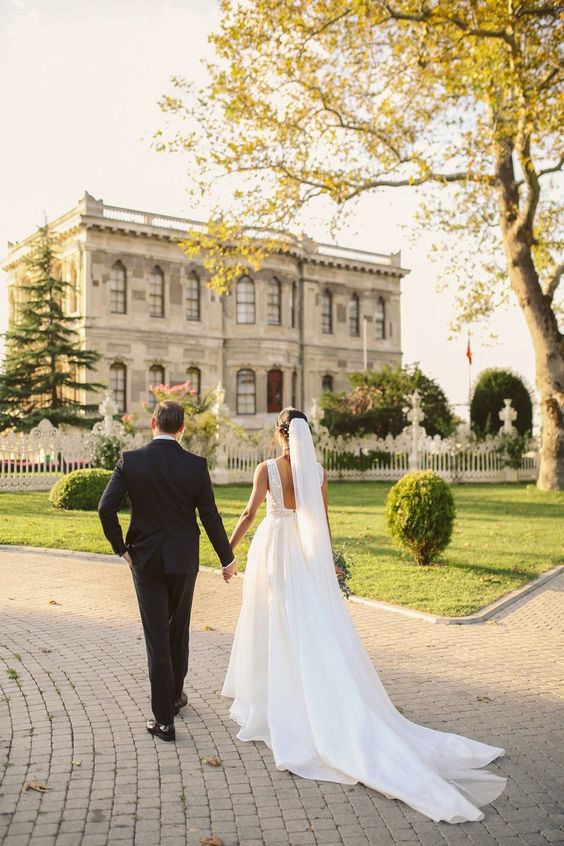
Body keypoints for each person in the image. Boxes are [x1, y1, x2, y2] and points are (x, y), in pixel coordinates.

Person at [222, 406, 506, 824]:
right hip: (301, 553)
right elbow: (322, 522)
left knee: (271, 618)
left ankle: (270, 698)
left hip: (272, 549)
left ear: (280, 434)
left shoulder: (266, 469)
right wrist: (327, 561)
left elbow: (249, 514)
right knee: (303, 622)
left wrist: (227, 554)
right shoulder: (317, 473)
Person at [98, 399, 236, 742]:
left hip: (144, 560)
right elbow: (210, 517)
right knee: (178, 629)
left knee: (156, 636)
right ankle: (174, 697)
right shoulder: (196, 465)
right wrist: (227, 558)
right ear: (182, 428)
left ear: (152, 423)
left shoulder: (130, 462)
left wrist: (122, 550)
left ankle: (164, 721)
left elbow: (105, 509)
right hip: (183, 559)